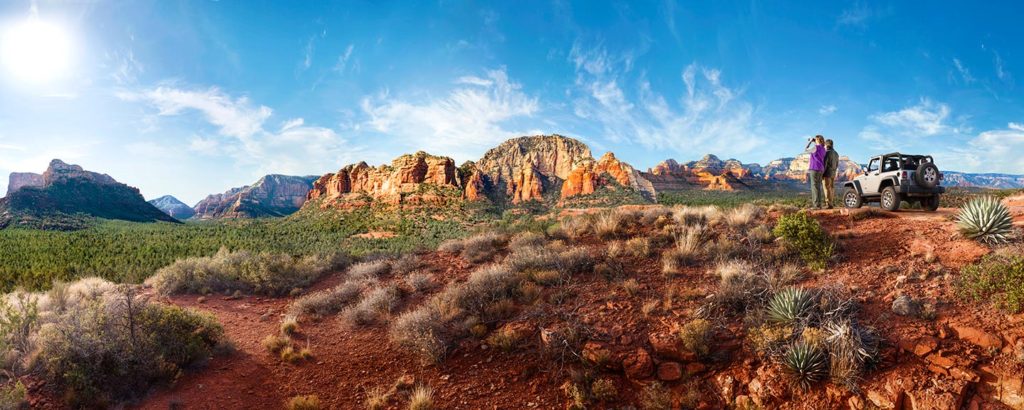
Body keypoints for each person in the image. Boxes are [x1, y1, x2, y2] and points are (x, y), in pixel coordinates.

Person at [805, 135, 827, 209]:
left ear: (817, 140)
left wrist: (810, 142)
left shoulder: (816, 147)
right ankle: (819, 205)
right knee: (818, 187)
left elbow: (806, 149)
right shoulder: (823, 149)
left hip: (814, 168)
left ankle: (816, 205)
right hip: (821, 169)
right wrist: (815, 141)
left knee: (814, 187)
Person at [822, 139, 839, 209]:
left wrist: (822, 173)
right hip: (833, 173)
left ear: (827, 145)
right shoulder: (836, 153)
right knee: (831, 188)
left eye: (825, 145)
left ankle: (828, 204)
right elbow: (837, 164)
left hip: (827, 173)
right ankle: (831, 203)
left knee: (826, 188)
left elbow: (825, 164)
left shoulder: (827, 153)